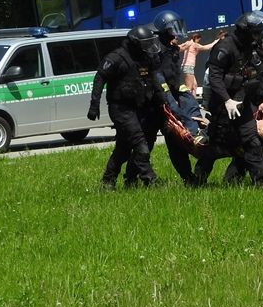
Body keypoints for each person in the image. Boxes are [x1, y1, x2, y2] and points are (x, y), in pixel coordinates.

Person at [193, 11, 263, 188]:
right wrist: (226, 100)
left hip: (242, 104)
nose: (258, 37)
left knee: (253, 141)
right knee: (215, 147)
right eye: (255, 33)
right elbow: (214, 77)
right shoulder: (224, 47)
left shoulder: (249, 46)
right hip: (223, 106)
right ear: (246, 32)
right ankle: (197, 181)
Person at [88, 24, 166, 190]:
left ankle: (111, 181)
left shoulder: (145, 57)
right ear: (135, 43)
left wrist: (162, 100)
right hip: (121, 109)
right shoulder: (116, 57)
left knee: (123, 149)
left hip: (139, 107)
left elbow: (153, 80)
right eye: (145, 43)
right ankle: (150, 180)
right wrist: (94, 105)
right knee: (140, 144)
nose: (148, 46)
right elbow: (100, 78)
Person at [143, 10, 209, 185]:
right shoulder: (155, 51)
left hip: (168, 101)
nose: (175, 33)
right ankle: (132, 178)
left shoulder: (172, 50)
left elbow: (174, 78)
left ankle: (187, 177)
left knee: (175, 143)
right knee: (144, 145)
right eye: (172, 29)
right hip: (154, 105)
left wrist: (183, 95)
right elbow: (158, 80)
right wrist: (172, 105)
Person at [220, 20, 263, 184]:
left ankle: (233, 180)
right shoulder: (249, 56)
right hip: (245, 104)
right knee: (254, 142)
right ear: (261, 39)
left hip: (261, 105)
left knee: (257, 143)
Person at [179, 31, 224, 98]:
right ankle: (188, 103)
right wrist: (217, 41)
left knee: (194, 86)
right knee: (189, 88)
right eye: (198, 40)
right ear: (196, 38)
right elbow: (206, 47)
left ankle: (194, 102)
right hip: (188, 67)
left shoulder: (188, 43)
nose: (198, 41)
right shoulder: (194, 44)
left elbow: (180, 46)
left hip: (187, 67)